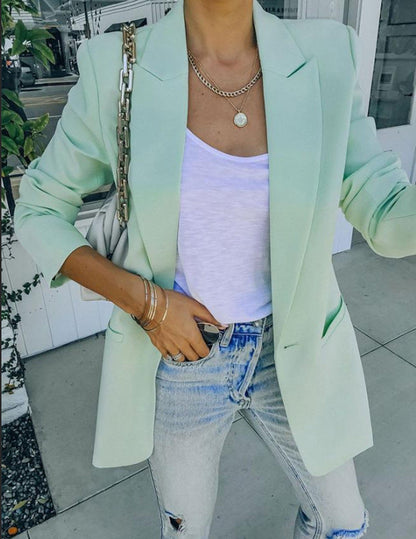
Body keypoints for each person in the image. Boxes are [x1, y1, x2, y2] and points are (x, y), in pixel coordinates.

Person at [13, 0, 416, 537]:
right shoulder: (116, 66)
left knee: (343, 523)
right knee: (186, 529)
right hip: (183, 355)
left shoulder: (326, 57)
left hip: (294, 346)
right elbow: (38, 209)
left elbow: (384, 210)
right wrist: (150, 306)